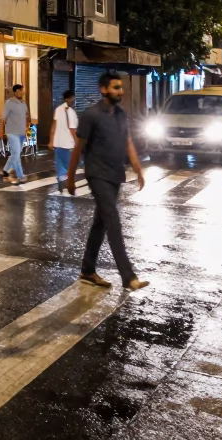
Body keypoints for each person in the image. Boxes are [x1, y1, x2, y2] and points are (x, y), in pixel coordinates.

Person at [66, 71, 149, 291]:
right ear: (103, 89)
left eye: (120, 87)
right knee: (113, 221)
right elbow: (78, 148)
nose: (120, 91)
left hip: (115, 174)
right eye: (115, 87)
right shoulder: (91, 115)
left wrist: (138, 169)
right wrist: (71, 178)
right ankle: (128, 277)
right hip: (97, 174)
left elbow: (128, 142)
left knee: (100, 223)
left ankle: (87, 269)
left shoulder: (121, 115)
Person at [49, 89, 79, 194]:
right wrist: (77, 142)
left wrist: (51, 141)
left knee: (60, 165)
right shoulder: (71, 112)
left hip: (58, 143)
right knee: (71, 164)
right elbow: (72, 129)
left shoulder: (58, 109)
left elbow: (54, 125)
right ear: (67, 99)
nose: (73, 101)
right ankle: (67, 183)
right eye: (72, 99)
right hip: (67, 144)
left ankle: (61, 184)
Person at [0, 83, 30, 184]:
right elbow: (3, 118)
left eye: (23, 90)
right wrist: (1, 131)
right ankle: (20, 175)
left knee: (15, 154)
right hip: (12, 132)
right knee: (16, 154)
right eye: (21, 90)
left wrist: (27, 127)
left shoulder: (23, 104)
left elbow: (26, 116)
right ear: (16, 91)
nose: (22, 92)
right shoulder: (9, 103)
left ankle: (5, 171)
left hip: (21, 133)